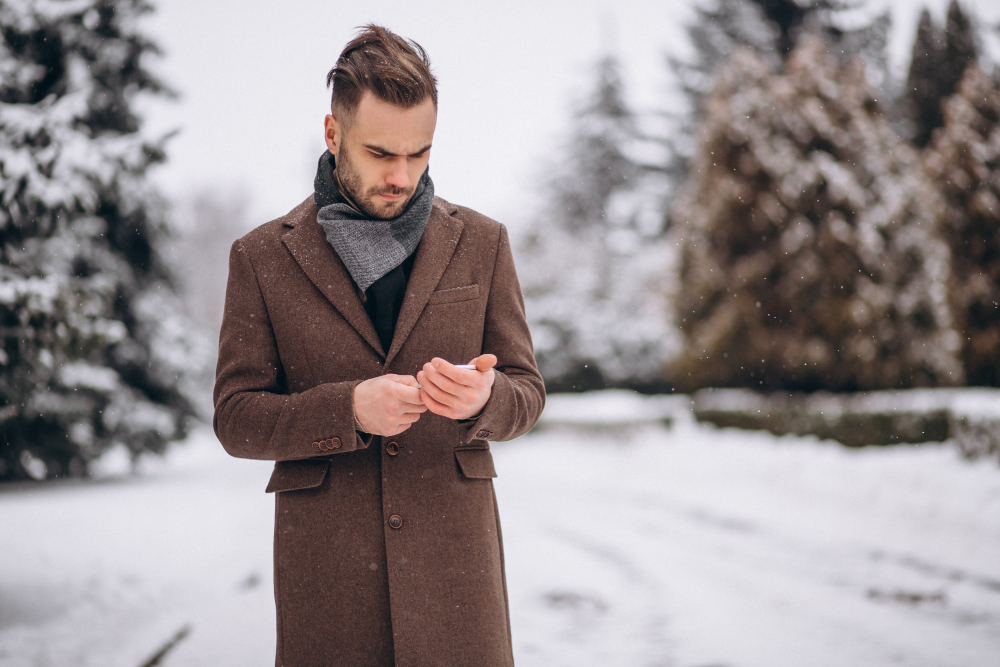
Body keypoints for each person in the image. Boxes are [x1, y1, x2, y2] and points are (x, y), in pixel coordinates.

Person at [213, 24, 544, 667]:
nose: (402, 175)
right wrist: (349, 411)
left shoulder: (482, 241)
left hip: (456, 579)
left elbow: (527, 393)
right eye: (381, 153)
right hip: (329, 586)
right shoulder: (260, 258)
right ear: (334, 134)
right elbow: (235, 419)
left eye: (419, 153)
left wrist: (487, 397)